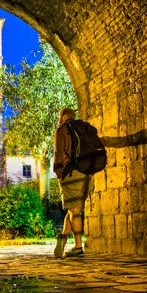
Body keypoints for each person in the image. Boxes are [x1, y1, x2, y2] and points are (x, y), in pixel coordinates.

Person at [53, 107, 94, 258]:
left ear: (62, 116)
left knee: (74, 211)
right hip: (85, 173)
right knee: (73, 209)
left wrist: (59, 174)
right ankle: (63, 236)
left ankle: (78, 246)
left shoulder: (61, 131)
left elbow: (58, 153)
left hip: (70, 173)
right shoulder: (83, 128)